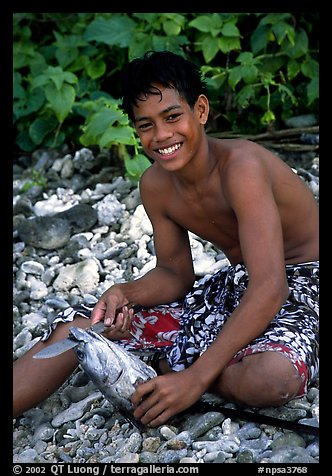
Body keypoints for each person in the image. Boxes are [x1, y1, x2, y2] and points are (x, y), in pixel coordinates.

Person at [13, 50, 319, 428]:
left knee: (271, 379)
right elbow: (175, 274)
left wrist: (194, 379)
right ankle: (178, 361)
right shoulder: (156, 184)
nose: (162, 136)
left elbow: (272, 286)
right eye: (146, 125)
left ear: (201, 111)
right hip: (239, 287)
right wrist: (125, 292)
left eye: (173, 117)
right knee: (80, 330)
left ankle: (168, 365)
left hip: (303, 289)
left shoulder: (242, 168)